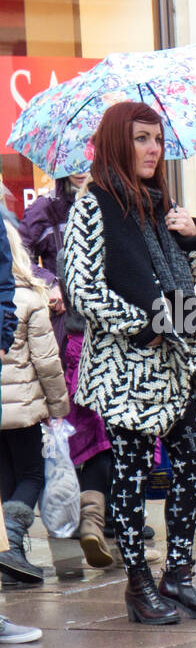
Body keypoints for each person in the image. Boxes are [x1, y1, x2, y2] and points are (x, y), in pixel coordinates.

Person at [61, 101, 196, 624]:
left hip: (176, 362)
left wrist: (193, 240)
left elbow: (182, 278)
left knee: (194, 463)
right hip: (126, 367)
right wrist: (142, 322)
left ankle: (178, 573)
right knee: (130, 477)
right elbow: (82, 292)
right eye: (141, 139)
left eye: (157, 139)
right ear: (117, 143)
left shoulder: (159, 204)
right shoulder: (93, 207)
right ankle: (138, 585)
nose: (153, 149)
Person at [0, 222, 70, 587]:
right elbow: (47, 362)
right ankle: (11, 539)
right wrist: (59, 409)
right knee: (31, 476)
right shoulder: (30, 298)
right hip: (25, 411)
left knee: (7, 479)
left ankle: (15, 561)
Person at [19, 173, 89, 272]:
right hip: (61, 285)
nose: (80, 172)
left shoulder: (112, 203)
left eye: (84, 162)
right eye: (73, 164)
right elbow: (19, 258)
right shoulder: (45, 207)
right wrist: (50, 281)